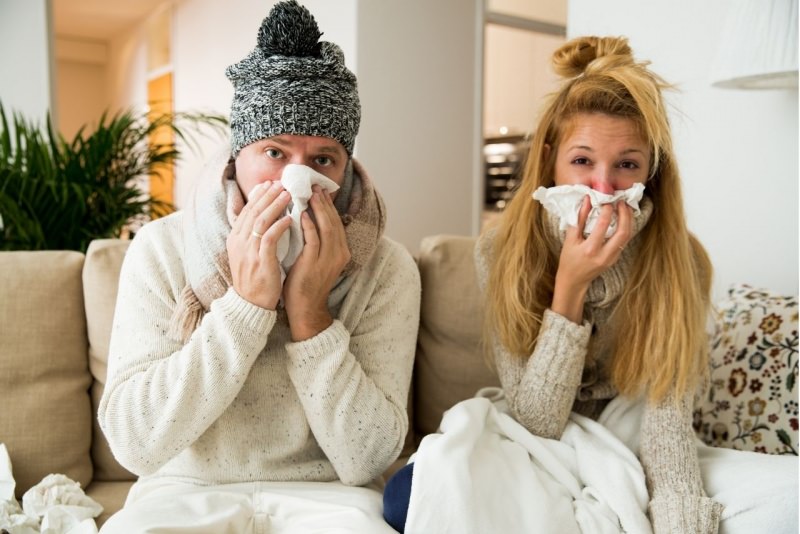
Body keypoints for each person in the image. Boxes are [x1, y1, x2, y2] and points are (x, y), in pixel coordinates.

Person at [384, 36, 797, 534]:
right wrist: (571, 288)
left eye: (627, 165)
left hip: (633, 428)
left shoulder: (682, 259)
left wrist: (680, 517)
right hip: (532, 431)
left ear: (652, 173)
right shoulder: (501, 251)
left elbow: (667, 423)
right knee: (412, 497)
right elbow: (538, 423)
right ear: (551, 160)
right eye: (583, 161)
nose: (604, 188)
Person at [98, 1, 419, 532]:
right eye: (274, 152)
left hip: (331, 499)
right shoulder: (162, 249)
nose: (298, 180)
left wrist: (310, 315)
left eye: (322, 160)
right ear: (237, 155)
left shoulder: (387, 268)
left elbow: (368, 459)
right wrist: (244, 308)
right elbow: (135, 443)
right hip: (184, 491)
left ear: (344, 167)